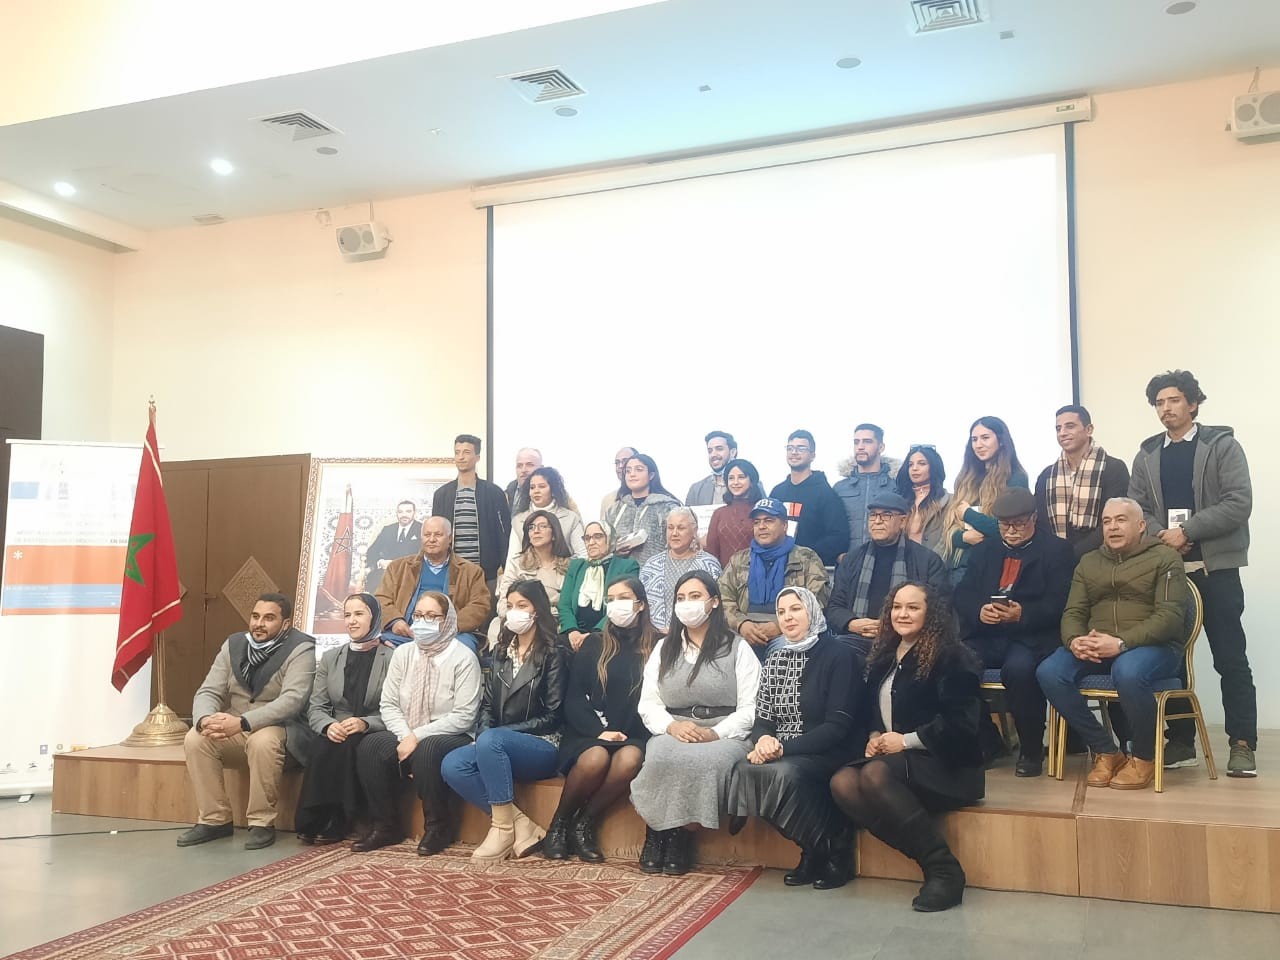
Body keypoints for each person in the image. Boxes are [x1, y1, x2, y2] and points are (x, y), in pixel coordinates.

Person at [1127, 371, 1256, 776]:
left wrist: (1187, 531)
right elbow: (1137, 508)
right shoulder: (1147, 454)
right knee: (1171, 660)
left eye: (1174, 400)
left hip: (1216, 570)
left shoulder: (1222, 446)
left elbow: (1238, 502)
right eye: (1159, 403)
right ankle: (1181, 742)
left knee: (1230, 658)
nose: (1166, 409)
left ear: (1193, 403)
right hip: (1168, 574)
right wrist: (1162, 536)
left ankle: (1242, 744)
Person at [829, 582, 985, 912]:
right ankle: (926, 857)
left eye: (913, 607)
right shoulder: (885, 655)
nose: (902, 614)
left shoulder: (954, 656)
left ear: (931, 613)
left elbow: (962, 724)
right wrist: (874, 736)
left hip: (950, 766)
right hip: (897, 764)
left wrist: (905, 740)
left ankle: (944, 871)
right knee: (842, 782)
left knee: (873, 775)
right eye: (897, 607)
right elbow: (873, 712)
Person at [1036, 498, 1191, 790]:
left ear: (1141, 525)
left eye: (1121, 520)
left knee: (1128, 671)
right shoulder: (1089, 562)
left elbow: (1170, 618)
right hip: (1099, 644)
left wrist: (1121, 643)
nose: (1112, 527)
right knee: (1050, 671)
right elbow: (1073, 612)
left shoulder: (1165, 558)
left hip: (1155, 647)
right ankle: (1106, 751)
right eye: (1107, 521)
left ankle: (1144, 757)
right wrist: (1075, 640)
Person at [726, 587, 861, 890]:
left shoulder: (839, 655)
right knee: (744, 770)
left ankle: (835, 849)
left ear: (812, 611)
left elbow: (837, 726)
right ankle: (811, 847)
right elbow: (763, 720)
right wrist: (763, 741)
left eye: (796, 609)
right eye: (781, 612)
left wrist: (780, 748)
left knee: (784, 772)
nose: (788, 617)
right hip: (783, 748)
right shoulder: (775, 657)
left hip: (831, 747)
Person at [631, 571, 760, 874]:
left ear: (714, 602)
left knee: (703, 762)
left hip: (725, 731)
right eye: (681, 598)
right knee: (661, 755)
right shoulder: (664, 648)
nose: (686, 603)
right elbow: (648, 703)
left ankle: (680, 836)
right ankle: (656, 831)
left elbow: (751, 707)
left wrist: (715, 733)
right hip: (674, 727)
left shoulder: (738, 647)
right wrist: (671, 727)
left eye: (695, 596)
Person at [178, 593, 316, 851]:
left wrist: (242, 722)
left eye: (269, 618)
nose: (259, 624)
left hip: (283, 731)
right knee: (196, 738)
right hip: (237, 727)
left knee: (263, 741)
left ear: (285, 624)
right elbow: (208, 691)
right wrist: (205, 720)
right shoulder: (234, 645)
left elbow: (293, 700)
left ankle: (261, 823)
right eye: (255, 616)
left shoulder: (301, 648)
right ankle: (214, 820)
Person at [954, 488, 1075, 776]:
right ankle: (988, 740)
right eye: (1004, 525)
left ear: (1034, 518)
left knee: (1019, 670)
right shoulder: (985, 550)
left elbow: (1061, 602)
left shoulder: (1057, 550)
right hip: (987, 633)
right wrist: (979, 611)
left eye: (1018, 524)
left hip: (1031, 636)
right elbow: (962, 594)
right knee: (953, 663)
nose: (1010, 531)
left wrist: (1023, 614)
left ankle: (1031, 749)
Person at [441, 581, 565, 863]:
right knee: (452, 764)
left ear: (537, 610)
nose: (514, 612)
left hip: (542, 745)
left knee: (491, 740)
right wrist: (487, 735)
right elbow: (487, 705)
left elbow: (553, 716)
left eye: (522, 605)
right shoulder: (500, 651)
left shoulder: (554, 653)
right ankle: (521, 824)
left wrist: (495, 735)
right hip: (496, 743)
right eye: (509, 606)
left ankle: (502, 830)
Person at [354, 592, 481, 854]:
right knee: (371, 746)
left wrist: (417, 736)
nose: (423, 622)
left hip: (451, 732)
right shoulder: (403, 653)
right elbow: (389, 704)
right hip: (406, 729)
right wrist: (405, 735)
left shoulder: (463, 657)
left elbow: (464, 715)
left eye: (432, 617)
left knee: (428, 749)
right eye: (418, 616)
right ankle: (385, 825)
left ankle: (438, 827)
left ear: (447, 620)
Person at [544, 577, 658, 862]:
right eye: (611, 598)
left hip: (634, 732)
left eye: (624, 597)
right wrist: (599, 731)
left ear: (641, 604)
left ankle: (584, 822)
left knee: (629, 759)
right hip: (589, 730)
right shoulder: (594, 643)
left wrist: (624, 733)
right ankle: (558, 825)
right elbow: (574, 697)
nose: (616, 604)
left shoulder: (657, 645)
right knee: (595, 758)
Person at [294, 593, 393, 844]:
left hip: (374, 728)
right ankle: (314, 818)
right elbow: (317, 706)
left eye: (359, 614)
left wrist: (365, 723)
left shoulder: (393, 657)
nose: (351, 621)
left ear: (375, 617)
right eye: (347, 615)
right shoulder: (331, 657)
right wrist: (328, 725)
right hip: (338, 726)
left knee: (350, 745)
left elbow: (398, 709)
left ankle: (339, 819)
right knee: (323, 744)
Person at [826, 492, 949, 656]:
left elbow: (940, 608)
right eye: (873, 515)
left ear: (903, 521)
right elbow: (834, 607)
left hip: (908, 640)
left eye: (886, 515)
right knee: (834, 651)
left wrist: (898, 627)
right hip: (858, 638)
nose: (877, 521)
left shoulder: (927, 560)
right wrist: (852, 623)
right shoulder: (852, 559)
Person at [719, 498, 829, 659]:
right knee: (722, 653)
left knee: (783, 653)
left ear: (785, 525)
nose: (761, 526)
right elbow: (722, 597)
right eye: (756, 522)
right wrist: (741, 624)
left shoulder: (806, 558)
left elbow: (817, 600)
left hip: (789, 631)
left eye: (769, 520)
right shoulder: (739, 560)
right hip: (743, 630)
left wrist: (780, 625)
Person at [375, 516, 492, 654]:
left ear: (450, 538)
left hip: (452, 635)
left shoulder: (471, 571)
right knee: (381, 648)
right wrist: (395, 621)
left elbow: (480, 605)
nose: (431, 539)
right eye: (427, 535)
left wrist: (449, 626)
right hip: (407, 634)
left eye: (438, 535)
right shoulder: (398, 567)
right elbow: (381, 598)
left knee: (462, 652)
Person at [1034, 405, 1130, 560]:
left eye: (1070, 426)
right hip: (1055, 560)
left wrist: (1074, 555)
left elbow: (1115, 520)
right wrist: (1057, 554)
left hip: (1103, 558)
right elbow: (1042, 523)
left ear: (1089, 429)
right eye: (1058, 428)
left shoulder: (1113, 468)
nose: (1062, 433)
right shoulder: (1047, 476)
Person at [941, 416, 1029, 583]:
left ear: (1001, 441)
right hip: (960, 568)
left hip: (996, 566)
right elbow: (948, 531)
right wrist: (963, 538)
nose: (978, 444)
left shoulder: (1015, 478)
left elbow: (1007, 528)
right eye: (974, 439)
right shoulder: (965, 479)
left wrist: (968, 514)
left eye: (985, 438)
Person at [432, 434, 511, 589]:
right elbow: (435, 533)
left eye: (466, 452)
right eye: (457, 452)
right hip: (451, 573)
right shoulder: (442, 494)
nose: (461, 457)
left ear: (477, 457)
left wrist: (505, 570)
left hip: (486, 575)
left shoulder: (494, 492)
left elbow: (504, 534)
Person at [490, 510, 573, 647]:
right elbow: (504, 600)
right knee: (495, 627)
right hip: (521, 620)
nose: (536, 531)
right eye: (531, 527)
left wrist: (543, 616)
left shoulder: (570, 566)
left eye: (542, 526)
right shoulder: (517, 563)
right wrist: (519, 618)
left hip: (556, 623)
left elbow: (570, 605)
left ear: (554, 534)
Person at [558, 520, 641, 653]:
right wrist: (572, 630)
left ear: (610, 539)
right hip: (574, 634)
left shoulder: (627, 566)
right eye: (587, 538)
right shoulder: (576, 566)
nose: (591, 542)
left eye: (598, 537)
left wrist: (593, 635)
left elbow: (621, 607)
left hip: (608, 632)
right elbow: (564, 604)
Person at [769, 429, 849, 566]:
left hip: (811, 569)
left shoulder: (826, 494)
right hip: (778, 566)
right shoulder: (777, 492)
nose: (794, 452)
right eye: (790, 448)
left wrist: (803, 554)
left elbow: (838, 537)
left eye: (801, 448)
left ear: (812, 455)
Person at [639, 507, 723, 633]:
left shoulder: (709, 564)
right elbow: (641, 603)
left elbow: (718, 606)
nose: (674, 533)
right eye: (670, 528)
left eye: (681, 528)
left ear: (694, 530)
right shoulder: (652, 564)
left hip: (697, 635)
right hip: (655, 636)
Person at [833, 423, 898, 559]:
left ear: (881, 447)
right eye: (856, 442)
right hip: (848, 563)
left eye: (867, 441)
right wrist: (837, 556)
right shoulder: (839, 488)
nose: (860, 447)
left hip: (886, 562)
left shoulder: (896, 486)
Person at [606, 452, 682, 565]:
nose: (632, 474)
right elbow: (604, 547)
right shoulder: (614, 510)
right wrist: (615, 551)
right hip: (620, 573)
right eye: (628, 471)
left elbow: (678, 544)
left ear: (651, 475)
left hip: (657, 572)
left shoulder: (667, 507)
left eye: (639, 470)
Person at [509, 465, 586, 559]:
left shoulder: (571, 518)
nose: (536, 491)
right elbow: (513, 558)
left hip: (565, 567)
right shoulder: (518, 520)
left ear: (553, 490)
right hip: (526, 568)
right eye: (532, 487)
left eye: (542, 486)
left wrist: (562, 565)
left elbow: (583, 554)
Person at [705, 458, 765, 567]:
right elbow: (711, 553)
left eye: (741, 477)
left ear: (752, 481)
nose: (735, 482)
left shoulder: (761, 512)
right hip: (724, 575)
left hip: (756, 572)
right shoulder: (719, 514)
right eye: (731, 478)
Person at [896, 444, 951, 557]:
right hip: (902, 563)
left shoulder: (949, 501)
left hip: (935, 563)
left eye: (922, 463)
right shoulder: (900, 501)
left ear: (934, 467)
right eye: (910, 465)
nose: (914, 468)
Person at [363, 501, 422, 592]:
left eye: (408, 511)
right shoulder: (388, 529)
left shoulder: (422, 529)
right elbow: (372, 551)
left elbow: (423, 555)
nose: (404, 515)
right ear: (397, 513)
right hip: (384, 573)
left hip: (409, 573)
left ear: (414, 513)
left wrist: (395, 564)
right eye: (400, 512)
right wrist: (379, 562)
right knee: (374, 587)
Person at [686, 430, 739, 506]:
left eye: (719, 449)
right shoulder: (696, 489)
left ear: (732, 452)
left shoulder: (748, 485)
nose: (713, 454)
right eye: (710, 451)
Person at [600, 445, 637, 521]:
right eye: (617, 462)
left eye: (625, 461)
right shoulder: (608, 500)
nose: (620, 466)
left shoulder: (656, 500)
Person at [505, 447, 543, 514]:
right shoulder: (507, 493)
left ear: (541, 468)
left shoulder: (551, 493)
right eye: (519, 466)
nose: (523, 470)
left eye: (529, 465)